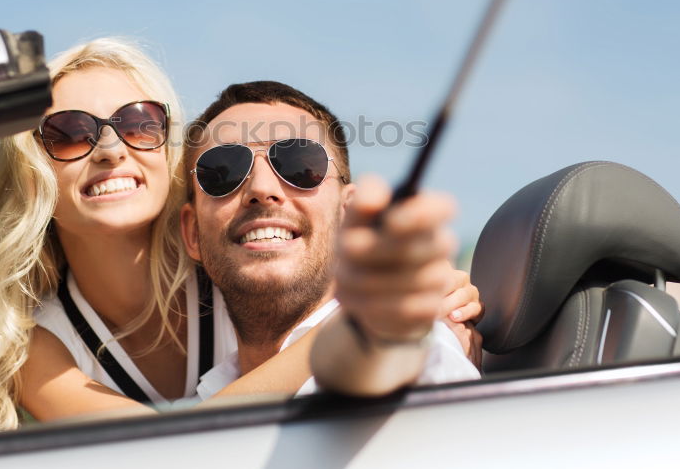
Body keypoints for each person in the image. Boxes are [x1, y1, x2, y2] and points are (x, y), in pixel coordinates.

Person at [0, 43, 481, 449]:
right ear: (33, 170)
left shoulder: (240, 260)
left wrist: (395, 314)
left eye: (137, 122)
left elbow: (374, 346)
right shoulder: (39, 343)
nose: (108, 149)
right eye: (70, 133)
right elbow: (161, 454)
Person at [179, 81, 481, 399]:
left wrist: (377, 328)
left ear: (346, 214)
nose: (261, 189)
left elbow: (381, 363)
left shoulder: (421, 338)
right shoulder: (198, 400)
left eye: (300, 163)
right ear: (193, 233)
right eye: (222, 172)